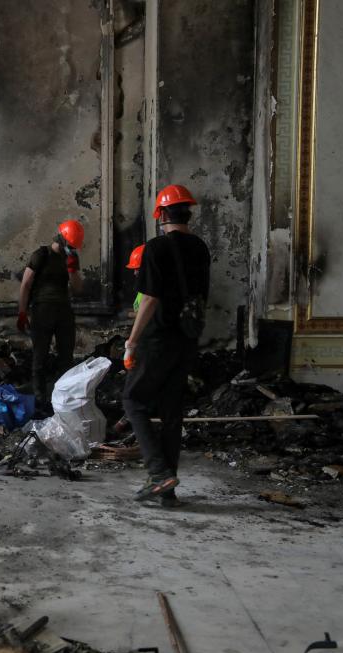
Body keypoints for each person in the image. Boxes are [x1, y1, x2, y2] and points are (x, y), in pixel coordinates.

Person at [122, 185, 210, 507]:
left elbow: (149, 299)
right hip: (187, 340)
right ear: (189, 212)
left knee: (133, 401)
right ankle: (168, 493)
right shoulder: (200, 248)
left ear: (159, 214)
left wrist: (132, 342)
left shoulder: (154, 249)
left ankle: (158, 473)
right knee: (172, 413)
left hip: (158, 340)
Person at [17, 220, 84, 413]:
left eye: (74, 247)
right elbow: (26, 285)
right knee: (40, 358)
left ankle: (63, 401)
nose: (71, 249)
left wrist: (72, 270)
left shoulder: (71, 258)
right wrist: (22, 312)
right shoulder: (41, 255)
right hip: (42, 310)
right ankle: (39, 401)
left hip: (64, 311)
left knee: (66, 358)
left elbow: (78, 289)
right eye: (70, 245)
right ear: (62, 239)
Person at [127, 244, 145, 315]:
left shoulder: (151, 290)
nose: (135, 273)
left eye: (137, 269)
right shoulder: (144, 286)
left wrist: (132, 314)